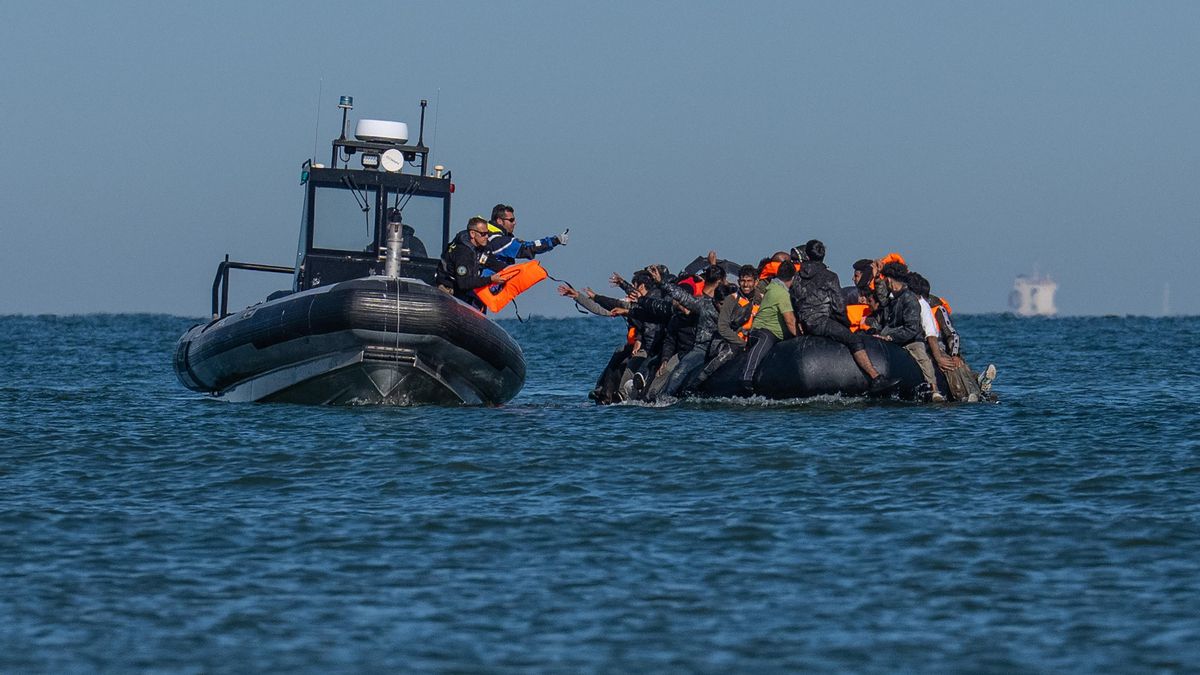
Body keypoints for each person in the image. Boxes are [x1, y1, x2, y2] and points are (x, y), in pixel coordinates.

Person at [791, 240, 896, 393]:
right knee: (854, 339)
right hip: (821, 321)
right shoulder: (829, 276)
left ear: (807, 255)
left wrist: (800, 321)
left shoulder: (798, 276)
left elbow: (794, 299)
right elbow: (839, 307)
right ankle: (875, 378)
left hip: (805, 320)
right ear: (823, 256)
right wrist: (845, 324)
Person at [872, 262, 938, 398]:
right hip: (893, 337)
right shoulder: (894, 298)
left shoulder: (909, 299)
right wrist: (877, 278)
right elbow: (882, 298)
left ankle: (934, 389)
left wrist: (891, 337)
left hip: (911, 340)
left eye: (885, 280)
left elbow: (911, 329)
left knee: (922, 358)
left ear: (889, 280)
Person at [739, 260, 798, 394]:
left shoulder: (775, 286)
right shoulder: (781, 293)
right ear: (793, 277)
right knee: (765, 339)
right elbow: (789, 321)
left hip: (778, 334)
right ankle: (746, 377)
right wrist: (801, 336)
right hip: (762, 330)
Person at [435, 217, 505, 310]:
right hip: (450, 289)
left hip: (465, 288)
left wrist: (511, 270)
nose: (487, 237)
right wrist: (491, 279)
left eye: (487, 233)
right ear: (472, 233)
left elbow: (492, 263)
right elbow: (464, 283)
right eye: (483, 234)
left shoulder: (483, 247)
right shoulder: (463, 252)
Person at [485, 204, 569, 268]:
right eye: (511, 220)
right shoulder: (498, 241)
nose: (514, 223)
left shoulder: (488, 236)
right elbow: (527, 248)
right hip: (486, 287)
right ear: (499, 221)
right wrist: (555, 240)